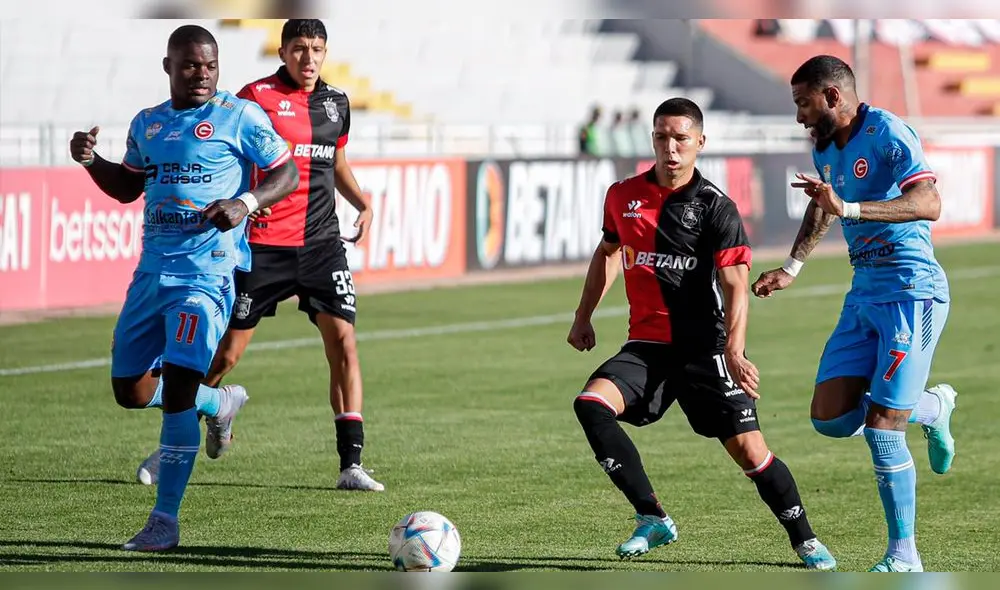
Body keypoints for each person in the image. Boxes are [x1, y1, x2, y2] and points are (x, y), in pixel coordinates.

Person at [567, 97, 836, 570]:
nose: (670, 148)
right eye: (661, 137)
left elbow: (736, 286)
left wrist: (734, 349)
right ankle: (651, 517)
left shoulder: (716, 207)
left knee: (751, 453)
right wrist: (583, 314)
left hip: (705, 347)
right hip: (647, 345)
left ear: (699, 143)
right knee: (590, 404)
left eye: (680, 139)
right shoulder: (621, 196)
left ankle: (805, 538)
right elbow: (609, 251)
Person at [69, 24, 299, 551]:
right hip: (151, 274)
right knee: (131, 391)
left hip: (207, 276)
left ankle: (164, 523)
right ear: (169, 66)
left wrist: (245, 204)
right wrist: (90, 162)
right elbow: (128, 186)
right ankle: (217, 404)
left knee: (174, 393)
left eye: (211, 65)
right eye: (191, 65)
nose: (202, 74)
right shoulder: (147, 124)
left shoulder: (238, 116)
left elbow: (284, 172)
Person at [136, 19, 382, 492]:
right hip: (263, 246)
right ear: (283, 51)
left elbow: (337, 161)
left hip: (321, 246)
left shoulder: (336, 104)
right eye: (299, 49)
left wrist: (362, 201)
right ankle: (179, 439)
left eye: (317, 50)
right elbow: (229, 154)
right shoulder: (254, 97)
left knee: (344, 344)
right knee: (223, 355)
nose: (308, 59)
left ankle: (351, 464)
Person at [752, 55, 957, 573]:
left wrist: (852, 209)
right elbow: (824, 204)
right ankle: (930, 408)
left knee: (885, 426)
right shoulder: (824, 143)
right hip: (863, 293)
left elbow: (928, 202)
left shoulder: (888, 132)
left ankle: (904, 555)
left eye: (803, 102)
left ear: (833, 96)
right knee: (831, 418)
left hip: (912, 294)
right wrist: (792, 268)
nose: (799, 115)